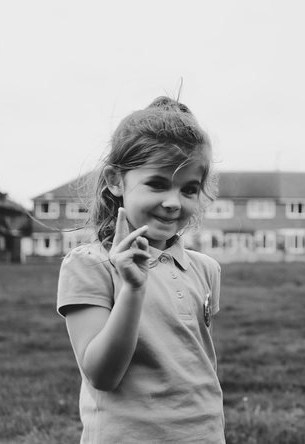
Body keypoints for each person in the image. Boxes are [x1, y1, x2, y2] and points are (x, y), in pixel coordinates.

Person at [57, 96, 225, 443]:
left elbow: (197, 363)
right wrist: (132, 289)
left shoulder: (206, 268)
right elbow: (102, 376)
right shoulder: (90, 265)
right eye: (157, 184)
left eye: (189, 189)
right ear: (115, 181)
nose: (174, 202)